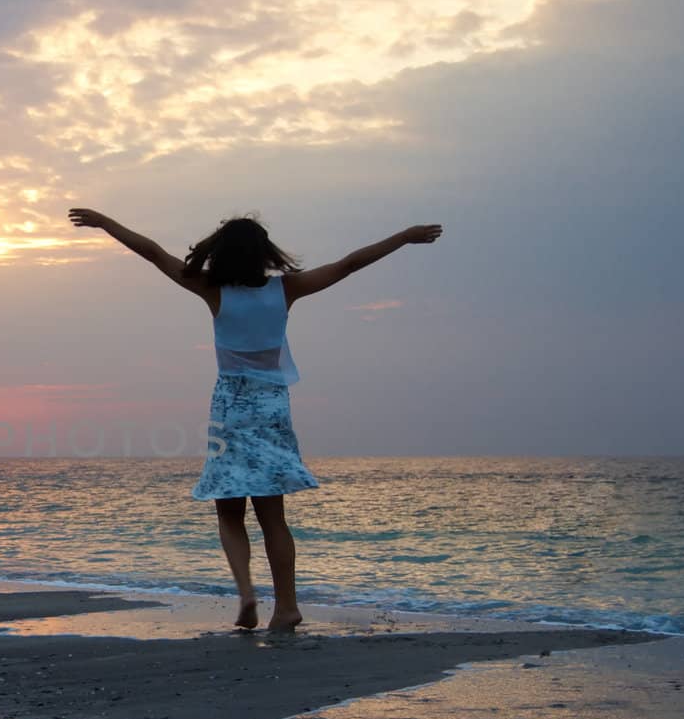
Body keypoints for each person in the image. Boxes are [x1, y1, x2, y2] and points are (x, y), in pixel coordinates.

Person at [68, 208, 442, 632]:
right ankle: (286, 607)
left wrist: (106, 223)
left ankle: (246, 594)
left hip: (230, 405)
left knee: (229, 513)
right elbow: (349, 264)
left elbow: (154, 253)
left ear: (222, 253)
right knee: (273, 517)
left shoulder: (212, 289)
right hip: (271, 405)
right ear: (264, 252)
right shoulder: (286, 290)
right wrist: (404, 236)